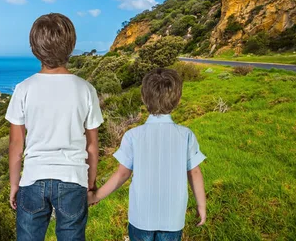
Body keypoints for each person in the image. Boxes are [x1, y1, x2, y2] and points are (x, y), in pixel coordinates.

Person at [6, 13, 103, 241]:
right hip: (73, 179)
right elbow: (92, 145)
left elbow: (16, 145)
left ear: (33, 48)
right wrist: (90, 182)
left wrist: (14, 184)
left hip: (32, 179)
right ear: (72, 46)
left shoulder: (23, 89)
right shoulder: (85, 89)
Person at [88, 68, 207, 241]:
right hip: (172, 219)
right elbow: (194, 173)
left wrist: (95, 196)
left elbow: (122, 174)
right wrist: (201, 205)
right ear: (178, 100)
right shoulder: (186, 135)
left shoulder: (132, 136)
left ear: (143, 98)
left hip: (140, 217)